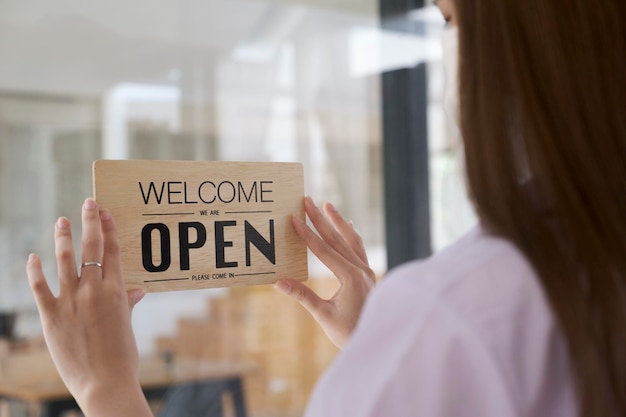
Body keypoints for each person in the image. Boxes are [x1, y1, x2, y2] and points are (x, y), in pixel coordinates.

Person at [25, 0, 626, 416]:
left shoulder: (462, 311)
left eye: (449, 17)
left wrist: (105, 393)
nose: (449, 46)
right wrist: (388, 347)